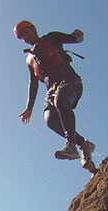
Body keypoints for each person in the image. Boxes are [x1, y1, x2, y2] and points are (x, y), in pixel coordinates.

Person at [15, 20, 95, 169]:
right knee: (50, 120)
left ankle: (71, 146)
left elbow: (74, 39)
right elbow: (33, 83)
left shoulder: (52, 38)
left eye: (26, 32)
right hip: (52, 90)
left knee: (60, 100)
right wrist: (29, 107)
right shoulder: (29, 59)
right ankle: (84, 144)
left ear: (33, 28)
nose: (25, 37)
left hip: (70, 81)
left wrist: (79, 36)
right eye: (21, 37)